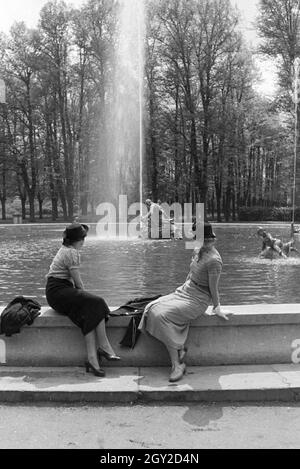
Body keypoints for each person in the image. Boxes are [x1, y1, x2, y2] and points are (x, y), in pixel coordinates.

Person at [139, 222, 230, 383]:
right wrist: (179, 292)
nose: (195, 239)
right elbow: (190, 273)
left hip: (199, 299)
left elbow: (214, 289)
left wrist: (217, 308)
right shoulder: (198, 250)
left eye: (197, 237)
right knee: (150, 307)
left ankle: (177, 364)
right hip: (185, 291)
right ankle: (179, 348)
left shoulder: (214, 260)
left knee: (162, 316)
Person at [45, 223, 120, 377]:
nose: (84, 242)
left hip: (56, 292)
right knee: (96, 302)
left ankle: (92, 360)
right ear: (79, 240)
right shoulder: (72, 253)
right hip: (58, 291)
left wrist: (86, 303)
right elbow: (78, 284)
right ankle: (104, 347)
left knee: (88, 313)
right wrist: (87, 300)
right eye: (83, 239)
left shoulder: (66, 249)